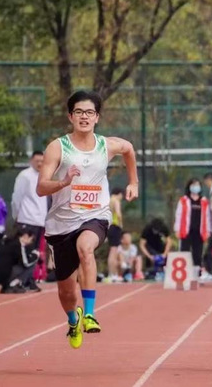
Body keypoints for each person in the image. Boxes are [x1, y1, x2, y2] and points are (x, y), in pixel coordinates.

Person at [37, 90, 138, 349]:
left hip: (95, 215)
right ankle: (74, 319)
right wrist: (63, 182)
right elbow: (41, 187)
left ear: (97, 117)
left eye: (89, 112)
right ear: (71, 116)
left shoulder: (106, 145)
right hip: (61, 224)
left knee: (86, 248)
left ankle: (90, 314)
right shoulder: (58, 147)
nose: (84, 117)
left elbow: (128, 149)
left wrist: (133, 182)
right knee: (66, 292)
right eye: (79, 112)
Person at [174, 178, 210, 278]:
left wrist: (207, 231)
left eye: (197, 185)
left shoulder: (204, 201)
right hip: (186, 231)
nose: (195, 187)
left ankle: (197, 274)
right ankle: (183, 274)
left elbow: (207, 217)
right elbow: (178, 215)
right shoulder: (184, 200)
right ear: (189, 187)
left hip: (199, 231)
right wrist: (177, 229)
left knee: (197, 254)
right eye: (193, 185)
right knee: (184, 251)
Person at [12, 151, 48, 250]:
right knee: (25, 251)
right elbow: (17, 197)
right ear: (31, 161)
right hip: (27, 220)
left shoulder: (45, 176)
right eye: (37, 161)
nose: (39, 163)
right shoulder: (25, 175)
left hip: (41, 222)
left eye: (42, 161)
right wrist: (16, 215)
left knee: (37, 252)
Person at [0, 228, 40, 294]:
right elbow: (26, 263)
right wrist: (36, 255)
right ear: (26, 236)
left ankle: (7, 286)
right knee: (31, 265)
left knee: (20, 264)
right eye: (31, 239)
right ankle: (14, 285)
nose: (31, 242)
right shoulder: (18, 245)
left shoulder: (10, 243)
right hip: (4, 275)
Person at [106, 188, 124, 282]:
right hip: (115, 225)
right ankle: (112, 274)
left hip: (109, 226)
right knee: (113, 251)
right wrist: (121, 224)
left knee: (112, 251)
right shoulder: (116, 201)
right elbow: (118, 213)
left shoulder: (108, 200)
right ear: (119, 194)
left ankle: (111, 274)